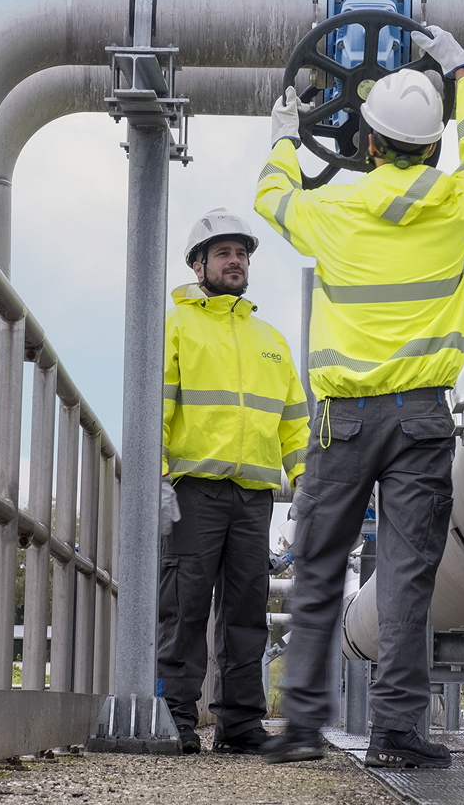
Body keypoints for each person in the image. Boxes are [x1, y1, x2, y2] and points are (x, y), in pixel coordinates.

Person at [253, 26, 464, 767]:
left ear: (367, 143)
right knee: (404, 577)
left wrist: (285, 137)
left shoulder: (334, 215)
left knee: (320, 569)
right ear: (431, 148)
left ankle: (300, 728)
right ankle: (395, 734)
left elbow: (272, 198)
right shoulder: (459, 203)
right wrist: (460, 70)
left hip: (343, 424)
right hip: (422, 418)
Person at [157, 208, 309, 755]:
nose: (235, 261)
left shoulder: (269, 339)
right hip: (193, 489)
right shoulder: (175, 324)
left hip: (254, 497)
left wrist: (304, 480)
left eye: (241, 253)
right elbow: (156, 405)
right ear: (198, 264)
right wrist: (158, 476)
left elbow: (294, 420)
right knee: (185, 605)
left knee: (246, 609)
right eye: (223, 253)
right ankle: (173, 715)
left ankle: (240, 724)